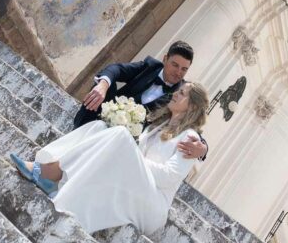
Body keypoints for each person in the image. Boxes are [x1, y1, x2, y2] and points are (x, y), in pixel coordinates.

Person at [10, 81, 209, 235]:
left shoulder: (190, 139)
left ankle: (49, 173)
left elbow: (168, 177)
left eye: (182, 93)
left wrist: (131, 159)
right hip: (138, 185)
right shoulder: (156, 126)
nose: (175, 93)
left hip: (153, 204)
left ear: (192, 107)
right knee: (101, 127)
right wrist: (129, 158)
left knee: (122, 136)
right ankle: (58, 177)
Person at [74, 40, 207, 161]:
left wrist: (203, 148)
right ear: (165, 59)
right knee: (105, 85)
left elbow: (194, 121)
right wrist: (103, 85)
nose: (178, 72)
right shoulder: (150, 66)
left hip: (129, 140)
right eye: (175, 65)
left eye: (184, 69)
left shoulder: (181, 94)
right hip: (108, 117)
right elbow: (117, 69)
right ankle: (77, 134)